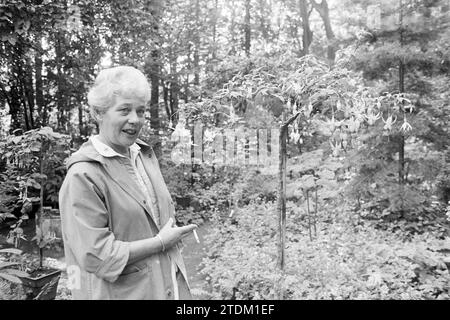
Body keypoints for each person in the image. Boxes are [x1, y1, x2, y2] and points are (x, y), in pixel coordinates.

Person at [58, 66, 197, 300]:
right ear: (98, 113)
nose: (135, 119)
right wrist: (161, 242)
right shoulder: (83, 176)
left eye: (140, 111)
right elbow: (96, 255)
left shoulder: (142, 155)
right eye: (124, 110)